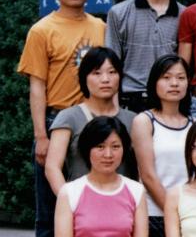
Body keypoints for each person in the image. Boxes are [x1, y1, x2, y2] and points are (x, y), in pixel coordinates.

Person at [17, 0, 106, 237]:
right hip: (57, 123)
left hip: (94, 122)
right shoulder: (42, 30)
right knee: (52, 209)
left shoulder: (100, 28)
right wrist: (40, 135)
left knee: (96, 205)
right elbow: (36, 86)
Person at [130, 55, 194, 237]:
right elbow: (147, 175)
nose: (174, 83)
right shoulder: (144, 121)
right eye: (166, 78)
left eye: (180, 78)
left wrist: (185, 215)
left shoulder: (194, 124)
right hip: (154, 216)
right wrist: (173, 213)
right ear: (154, 83)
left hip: (188, 216)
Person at [45, 47, 138, 196]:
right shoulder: (69, 117)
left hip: (124, 202)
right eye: (97, 73)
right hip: (80, 201)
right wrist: (69, 201)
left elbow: (143, 169)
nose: (105, 79)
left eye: (112, 72)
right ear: (84, 78)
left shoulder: (134, 120)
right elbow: (52, 167)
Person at [106, 0, 185, 113]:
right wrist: (113, 109)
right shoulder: (119, 13)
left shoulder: (185, 15)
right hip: (130, 101)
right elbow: (111, 64)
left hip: (170, 100)